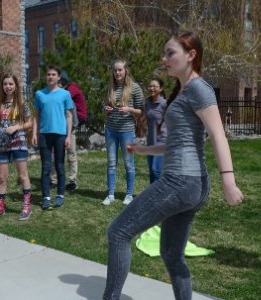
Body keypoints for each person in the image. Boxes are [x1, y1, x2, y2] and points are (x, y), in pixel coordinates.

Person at [103, 31, 243, 300]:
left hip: (182, 182)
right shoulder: (184, 91)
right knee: (171, 254)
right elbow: (176, 145)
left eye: (170, 53)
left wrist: (229, 180)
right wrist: (143, 149)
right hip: (191, 185)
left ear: (191, 56)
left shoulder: (199, 88)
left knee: (118, 232)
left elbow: (217, 133)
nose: (164, 58)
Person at [0, 73, 33, 221]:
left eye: (11, 84)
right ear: (2, 86)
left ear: (15, 86)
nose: (8, 87)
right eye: (5, 84)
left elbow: (29, 123)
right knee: (2, 178)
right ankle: (0, 207)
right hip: (2, 145)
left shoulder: (21, 103)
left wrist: (17, 127)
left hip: (18, 143)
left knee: (23, 175)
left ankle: (27, 207)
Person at [101, 59, 144, 206]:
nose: (117, 73)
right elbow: (104, 106)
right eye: (115, 70)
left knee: (128, 164)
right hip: (111, 130)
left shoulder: (135, 88)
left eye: (120, 70)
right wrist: (105, 110)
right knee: (111, 163)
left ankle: (129, 195)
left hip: (127, 131)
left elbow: (140, 112)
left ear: (126, 71)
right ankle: (111, 194)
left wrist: (129, 110)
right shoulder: (110, 87)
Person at [32, 65, 74, 210]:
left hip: (60, 135)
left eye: (53, 74)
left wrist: (68, 136)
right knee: (46, 167)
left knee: (60, 165)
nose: (50, 77)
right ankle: (46, 197)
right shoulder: (39, 94)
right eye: (48, 74)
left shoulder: (65, 94)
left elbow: (69, 116)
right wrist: (34, 134)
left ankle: (60, 195)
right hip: (44, 134)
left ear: (58, 77)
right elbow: (36, 116)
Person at [51, 71, 87, 192]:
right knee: (56, 153)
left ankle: (72, 181)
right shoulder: (64, 91)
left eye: (59, 82)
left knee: (71, 153)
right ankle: (54, 179)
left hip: (75, 119)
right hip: (60, 125)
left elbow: (63, 99)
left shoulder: (71, 89)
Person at [145, 78, 167, 184]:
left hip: (162, 142)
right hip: (150, 142)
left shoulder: (164, 104)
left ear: (161, 89)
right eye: (150, 86)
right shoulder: (147, 102)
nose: (151, 88)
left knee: (157, 170)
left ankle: (162, 195)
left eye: (154, 86)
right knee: (151, 172)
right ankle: (152, 197)